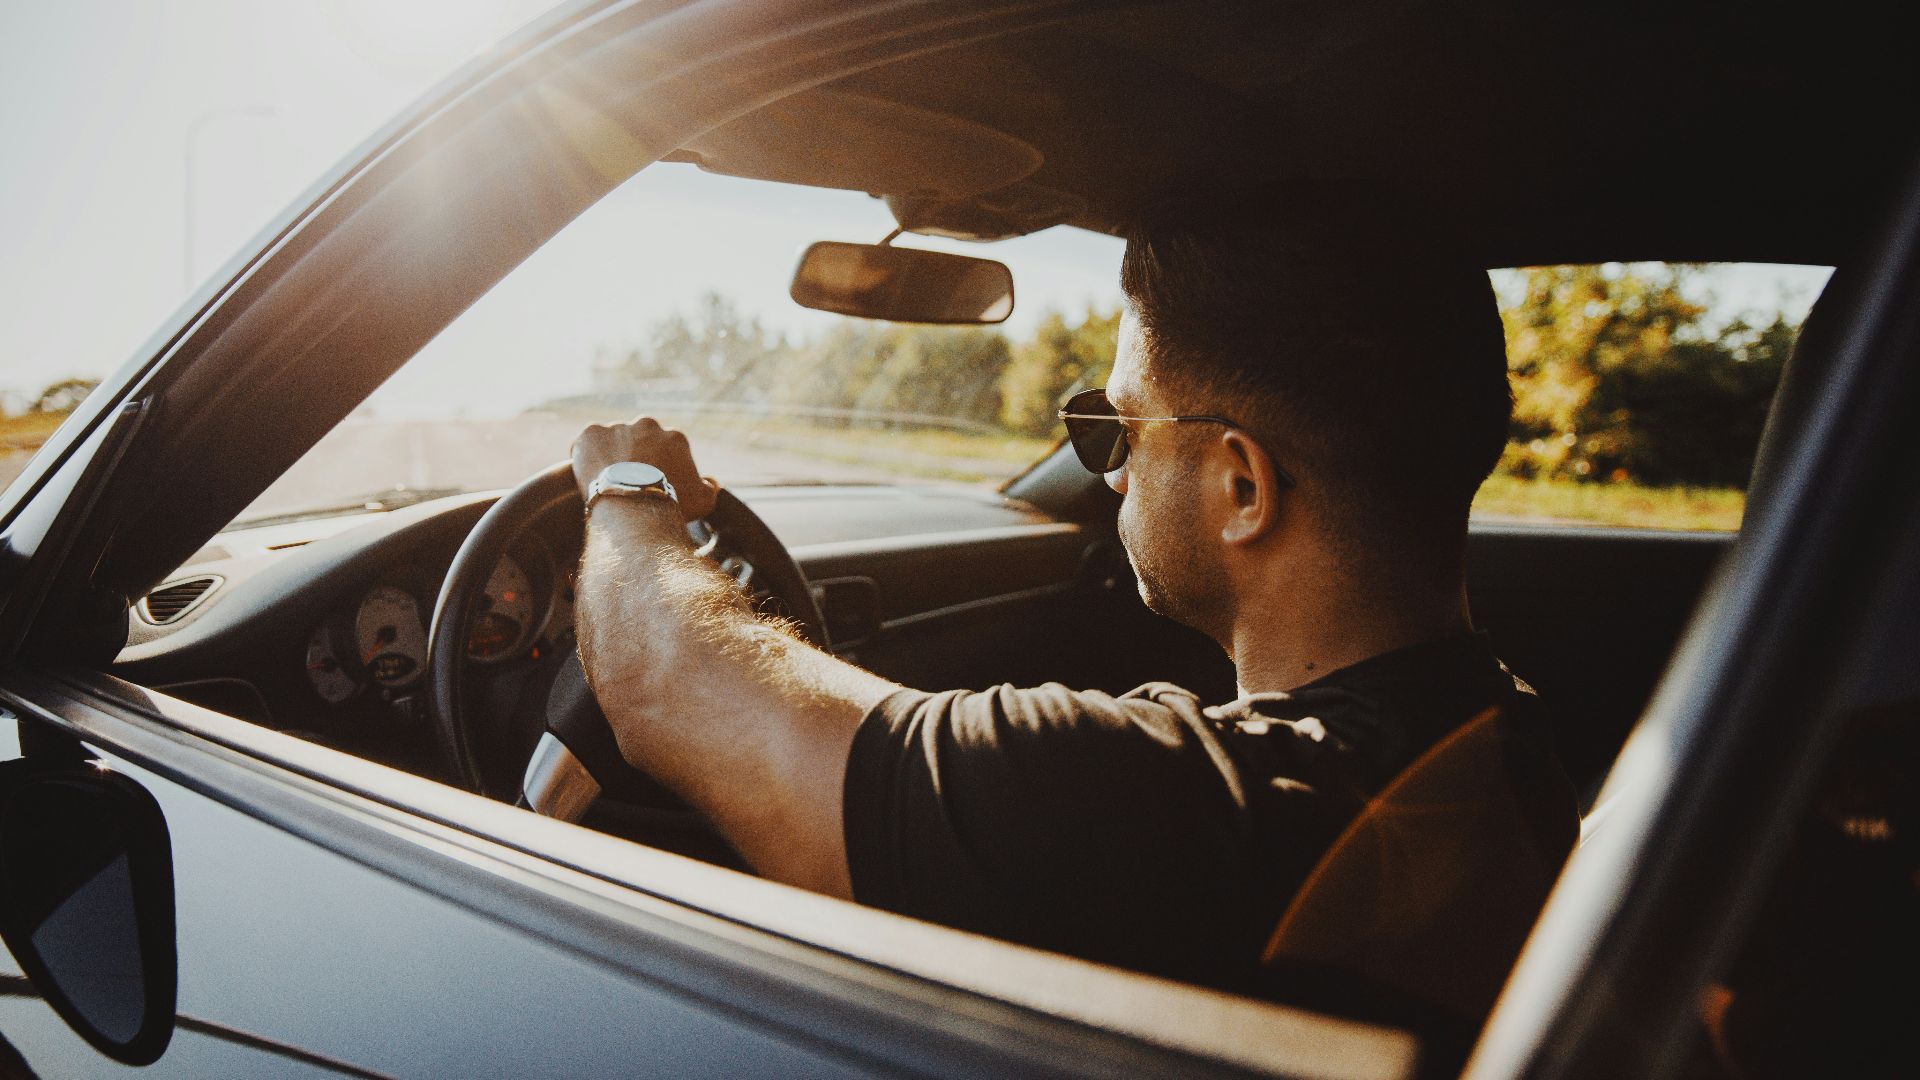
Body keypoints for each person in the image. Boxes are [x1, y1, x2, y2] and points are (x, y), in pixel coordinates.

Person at [568, 192, 1576, 995]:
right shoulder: (1507, 737)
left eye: (1118, 427)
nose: (1112, 473)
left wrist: (628, 490)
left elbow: (660, 681)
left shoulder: (1163, 806)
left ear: (1240, 487)